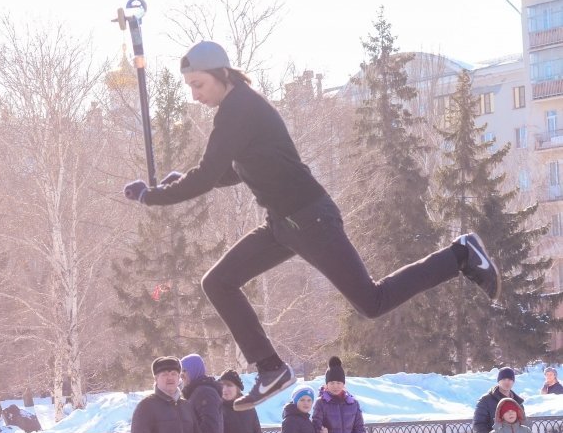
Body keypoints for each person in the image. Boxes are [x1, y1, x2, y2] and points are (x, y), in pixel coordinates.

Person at [122, 40, 501, 411]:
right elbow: (233, 172)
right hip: (285, 224)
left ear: (222, 75)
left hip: (310, 218)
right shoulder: (239, 110)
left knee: (372, 301)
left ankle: (460, 255)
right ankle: (271, 368)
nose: (195, 95)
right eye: (190, 87)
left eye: (198, 85)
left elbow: (207, 175)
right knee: (218, 282)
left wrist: (151, 196)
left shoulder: (238, 108)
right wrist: (175, 184)